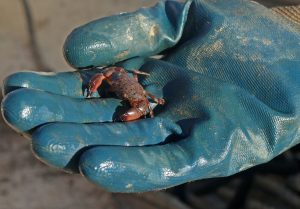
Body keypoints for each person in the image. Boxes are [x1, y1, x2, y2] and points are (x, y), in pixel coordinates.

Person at [1, 0, 300, 192]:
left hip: (137, 90)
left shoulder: (141, 99)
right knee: (107, 76)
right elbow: (110, 74)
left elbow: (147, 103)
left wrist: (139, 108)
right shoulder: (121, 77)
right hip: (125, 79)